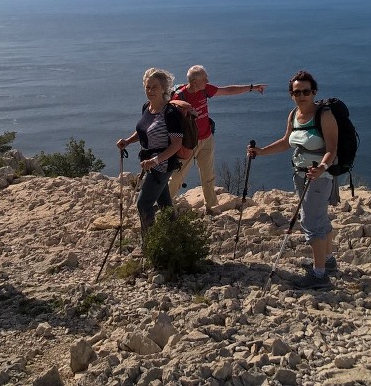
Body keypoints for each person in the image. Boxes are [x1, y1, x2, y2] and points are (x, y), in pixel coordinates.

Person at [248, 70, 337, 290]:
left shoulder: (324, 115)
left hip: (319, 176)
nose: (302, 95)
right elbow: (287, 141)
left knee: (311, 222)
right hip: (300, 174)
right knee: (320, 218)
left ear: (314, 92)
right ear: (291, 94)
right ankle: (327, 261)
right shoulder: (294, 114)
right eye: (297, 92)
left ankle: (320, 276)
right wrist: (261, 151)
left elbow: (332, 149)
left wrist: (321, 168)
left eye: (306, 91)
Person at [168, 65, 266, 213]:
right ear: (194, 82)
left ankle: (212, 206)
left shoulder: (205, 89)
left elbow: (227, 90)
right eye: (204, 78)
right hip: (189, 143)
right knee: (177, 175)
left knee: (208, 175)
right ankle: (164, 203)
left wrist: (252, 87)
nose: (208, 80)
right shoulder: (180, 96)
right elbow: (169, 113)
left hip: (207, 138)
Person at [116, 68, 184, 234]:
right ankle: (177, 239)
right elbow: (143, 131)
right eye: (147, 87)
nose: (150, 91)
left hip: (162, 165)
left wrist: (155, 161)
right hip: (151, 164)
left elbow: (176, 144)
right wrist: (128, 141)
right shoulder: (147, 107)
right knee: (164, 203)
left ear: (163, 88)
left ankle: (152, 245)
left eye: (154, 87)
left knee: (143, 203)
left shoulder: (170, 113)